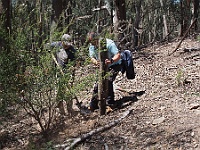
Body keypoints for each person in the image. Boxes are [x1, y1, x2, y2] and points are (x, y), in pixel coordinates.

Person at [87, 32, 122, 111]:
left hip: (114, 65)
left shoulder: (109, 44)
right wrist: (96, 62)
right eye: (91, 42)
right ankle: (93, 105)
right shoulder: (92, 46)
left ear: (97, 39)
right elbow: (91, 57)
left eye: (93, 42)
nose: (92, 44)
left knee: (108, 80)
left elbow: (118, 55)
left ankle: (110, 104)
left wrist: (111, 61)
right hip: (102, 67)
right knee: (98, 84)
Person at [51, 34, 77, 115]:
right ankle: (60, 110)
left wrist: (71, 69)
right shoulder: (56, 45)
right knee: (58, 91)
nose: (67, 46)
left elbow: (74, 62)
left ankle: (70, 109)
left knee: (69, 91)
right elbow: (46, 46)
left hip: (68, 73)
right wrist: (49, 50)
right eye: (65, 44)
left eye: (68, 44)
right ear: (62, 42)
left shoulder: (72, 50)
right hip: (58, 72)